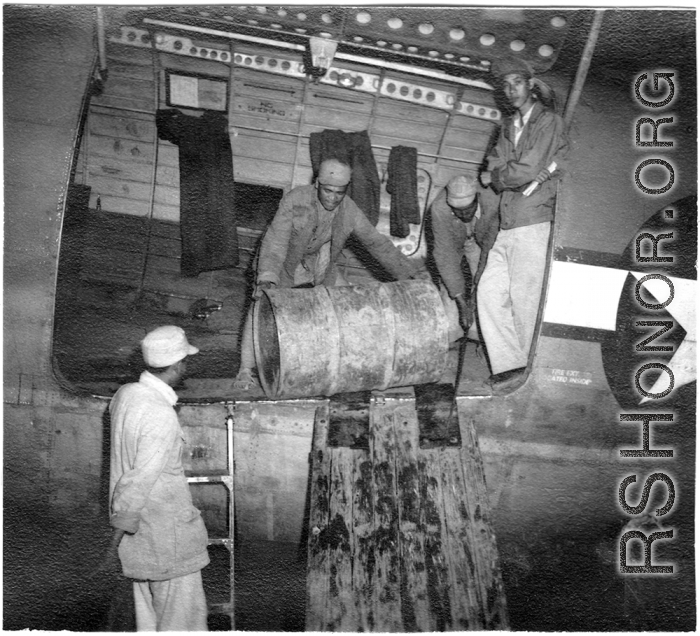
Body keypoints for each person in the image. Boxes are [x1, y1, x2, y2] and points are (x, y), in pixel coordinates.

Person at [234, 158, 429, 390]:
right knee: (260, 308)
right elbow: (275, 241)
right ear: (317, 184)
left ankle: (349, 360)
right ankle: (245, 370)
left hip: (318, 261)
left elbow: (378, 244)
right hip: (282, 260)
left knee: (349, 299)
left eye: (339, 192)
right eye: (328, 191)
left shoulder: (349, 210)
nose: (333, 198)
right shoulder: (296, 200)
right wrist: (267, 277)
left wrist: (409, 275)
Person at [107, 325, 210, 631]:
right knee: (183, 623)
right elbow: (139, 480)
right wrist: (113, 543)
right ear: (177, 365)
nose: (186, 367)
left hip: (139, 541)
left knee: (147, 623)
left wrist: (121, 540)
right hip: (167, 540)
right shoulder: (159, 414)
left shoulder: (125, 395)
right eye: (184, 362)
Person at [477, 58, 568, 392]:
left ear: (531, 84)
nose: (511, 90)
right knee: (488, 292)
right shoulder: (508, 125)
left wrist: (501, 175)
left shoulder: (549, 122)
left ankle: (527, 370)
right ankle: (511, 364)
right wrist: (505, 173)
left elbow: (524, 170)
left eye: (517, 82)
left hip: (534, 219)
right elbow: (496, 163)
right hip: (509, 218)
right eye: (506, 84)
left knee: (525, 298)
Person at [430, 173, 497, 343]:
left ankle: (478, 334)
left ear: (477, 199)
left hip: (480, 241)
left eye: (468, 209)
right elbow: (445, 256)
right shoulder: (439, 208)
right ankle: (451, 333)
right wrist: (461, 301)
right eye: (458, 211)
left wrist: (474, 294)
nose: (464, 214)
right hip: (455, 238)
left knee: (486, 283)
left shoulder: (492, 202)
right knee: (449, 284)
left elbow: (489, 250)